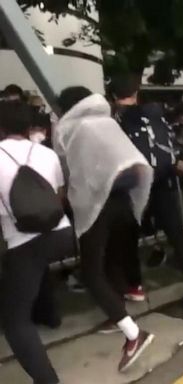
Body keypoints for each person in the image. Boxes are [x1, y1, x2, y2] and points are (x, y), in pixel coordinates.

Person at [54, 87, 155, 372]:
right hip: (124, 202)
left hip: (97, 206)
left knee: (92, 272)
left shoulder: (71, 128)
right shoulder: (108, 122)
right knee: (113, 259)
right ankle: (117, 312)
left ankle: (134, 334)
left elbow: (68, 170)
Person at [109, 75, 183, 315]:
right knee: (178, 236)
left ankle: (135, 286)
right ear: (136, 93)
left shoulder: (115, 122)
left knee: (128, 238)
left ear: (113, 97)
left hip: (133, 187)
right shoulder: (156, 115)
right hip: (163, 182)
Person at [0, 101, 74, 384]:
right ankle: (50, 314)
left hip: (23, 240)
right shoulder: (46, 153)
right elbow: (59, 195)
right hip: (61, 234)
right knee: (34, 274)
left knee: (15, 321)